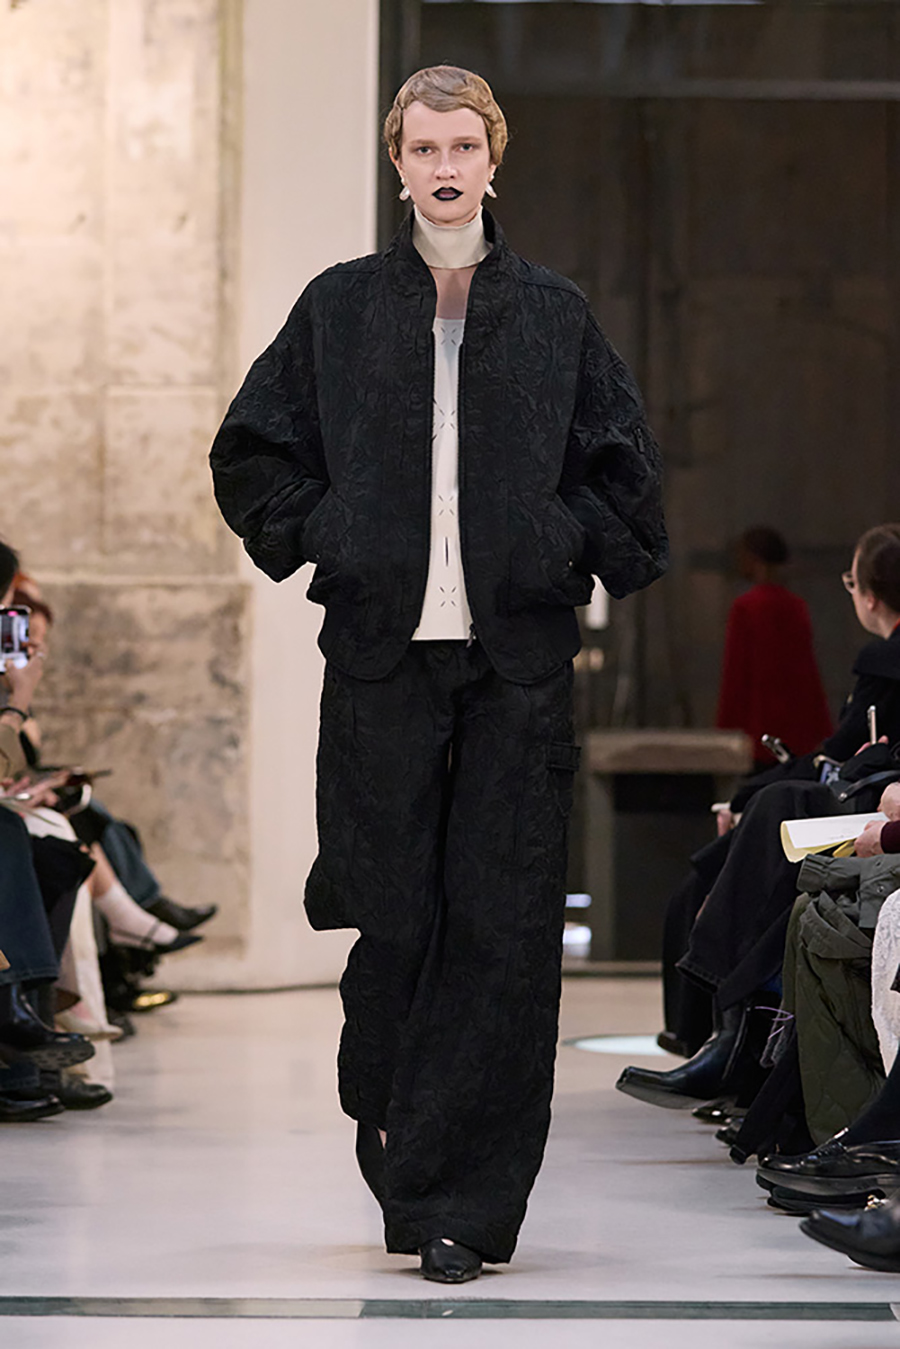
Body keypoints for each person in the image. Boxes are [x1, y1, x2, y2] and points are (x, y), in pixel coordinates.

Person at [210, 65, 667, 1281]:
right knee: (395, 916)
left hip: (517, 661)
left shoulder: (555, 313)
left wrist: (556, 540)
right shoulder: (340, 306)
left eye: (464, 143)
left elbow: (627, 480)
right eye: (424, 146)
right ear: (397, 162)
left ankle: (468, 1200)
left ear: (493, 158)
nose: (445, 164)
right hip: (380, 660)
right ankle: (400, 1137)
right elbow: (250, 454)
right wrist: (336, 533)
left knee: (504, 930)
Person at [618, 524, 900, 1111]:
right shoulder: (797, 611)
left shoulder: (878, 656)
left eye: (852, 583)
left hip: (869, 803)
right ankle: (726, 1043)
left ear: (870, 595)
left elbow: (761, 695)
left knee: (762, 827)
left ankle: (722, 1038)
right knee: (742, 857)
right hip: (859, 789)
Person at [716, 526, 832, 769]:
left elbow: (736, 673)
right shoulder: (795, 606)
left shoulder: (746, 607)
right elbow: (808, 671)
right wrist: (820, 727)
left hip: (758, 726)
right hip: (798, 724)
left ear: (753, 558)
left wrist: (726, 728)